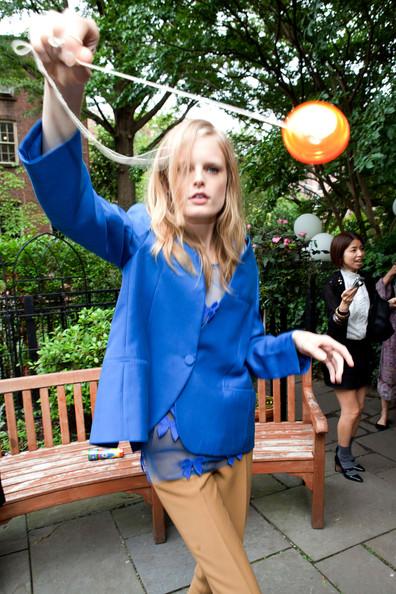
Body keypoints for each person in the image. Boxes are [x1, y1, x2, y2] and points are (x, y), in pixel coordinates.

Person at [21, 11, 353, 594]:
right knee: (237, 585)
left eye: (212, 168)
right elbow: (71, 205)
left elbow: (247, 350)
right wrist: (64, 88)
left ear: (227, 181)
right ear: (169, 180)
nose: (199, 179)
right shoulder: (137, 238)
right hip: (169, 437)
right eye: (186, 169)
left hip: (230, 431)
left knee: (209, 576)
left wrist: (296, 341)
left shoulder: (242, 256)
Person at [322, 231, 380, 484]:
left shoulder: (365, 280)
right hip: (340, 352)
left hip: (362, 351)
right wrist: (343, 307)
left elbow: (372, 311)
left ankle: (344, 454)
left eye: (361, 249)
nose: (360, 254)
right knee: (351, 410)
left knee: (359, 411)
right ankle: (342, 458)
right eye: (353, 250)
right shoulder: (333, 284)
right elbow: (334, 327)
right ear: (340, 254)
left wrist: (387, 304)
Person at [375, 264, 396, 430]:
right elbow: (379, 294)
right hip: (393, 333)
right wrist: (391, 272)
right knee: (388, 373)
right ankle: (384, 414)